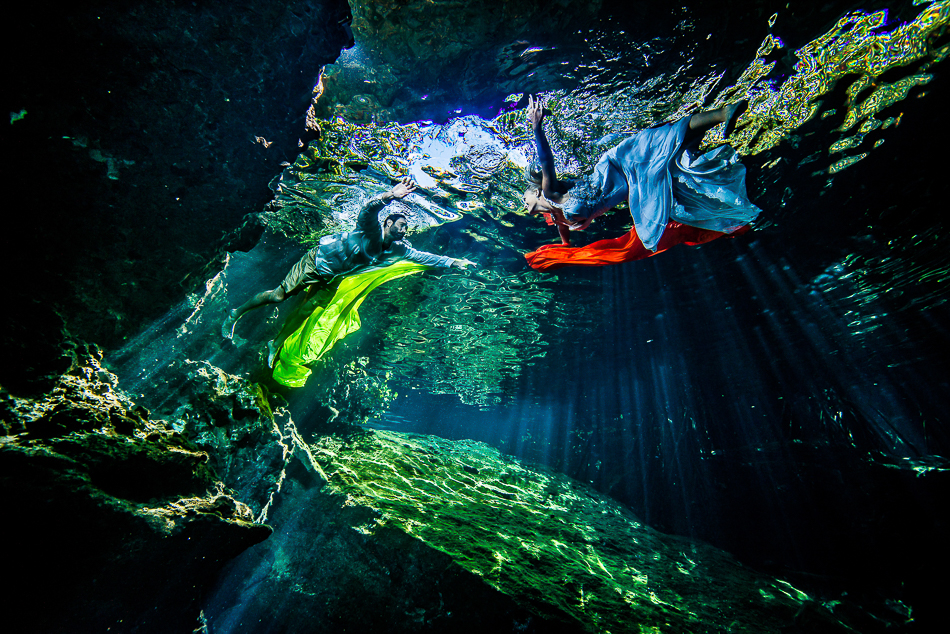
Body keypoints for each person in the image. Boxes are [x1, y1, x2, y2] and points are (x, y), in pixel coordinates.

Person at [223, 177, 475, 365]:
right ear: (388, 223)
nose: (404, 231)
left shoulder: (399, 250)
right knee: (279, 296)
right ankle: (236, 313)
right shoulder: (370, 229)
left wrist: (454, 262)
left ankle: (275, 343)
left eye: (405, 228)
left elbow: (425, 257)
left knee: (306, 313)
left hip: (333, 278)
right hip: (317, 262)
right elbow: (368, 209)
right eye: (400, 225)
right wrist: (391, 195)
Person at [521, 95, 761, 270]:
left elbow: (546, 161)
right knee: (674, 203)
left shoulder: (552, 192)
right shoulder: (560, 216)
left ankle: (723, 113)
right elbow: (564, 235)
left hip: (618, 164)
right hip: (635, 188)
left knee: (660, 140)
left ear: (536, 191)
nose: (523, 204)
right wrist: (563, 249)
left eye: (525, 197)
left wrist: (536, 126)